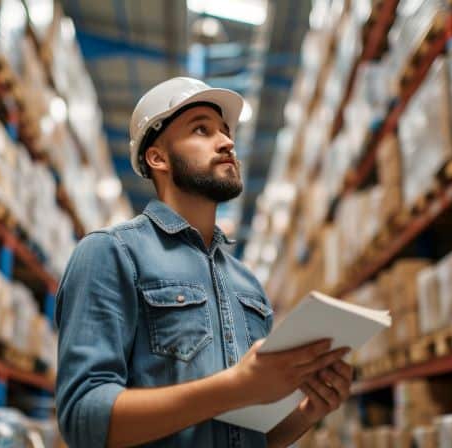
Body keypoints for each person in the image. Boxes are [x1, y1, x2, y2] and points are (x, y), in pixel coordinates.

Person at [55, 77, 353, 448]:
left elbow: (252, 436)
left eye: (227, 132)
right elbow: (84, 419)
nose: (227, 142)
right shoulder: (112, 254)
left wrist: (309, 410)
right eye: (202, 129)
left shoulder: (248, 285)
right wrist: (235, 387)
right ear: (158, 157)